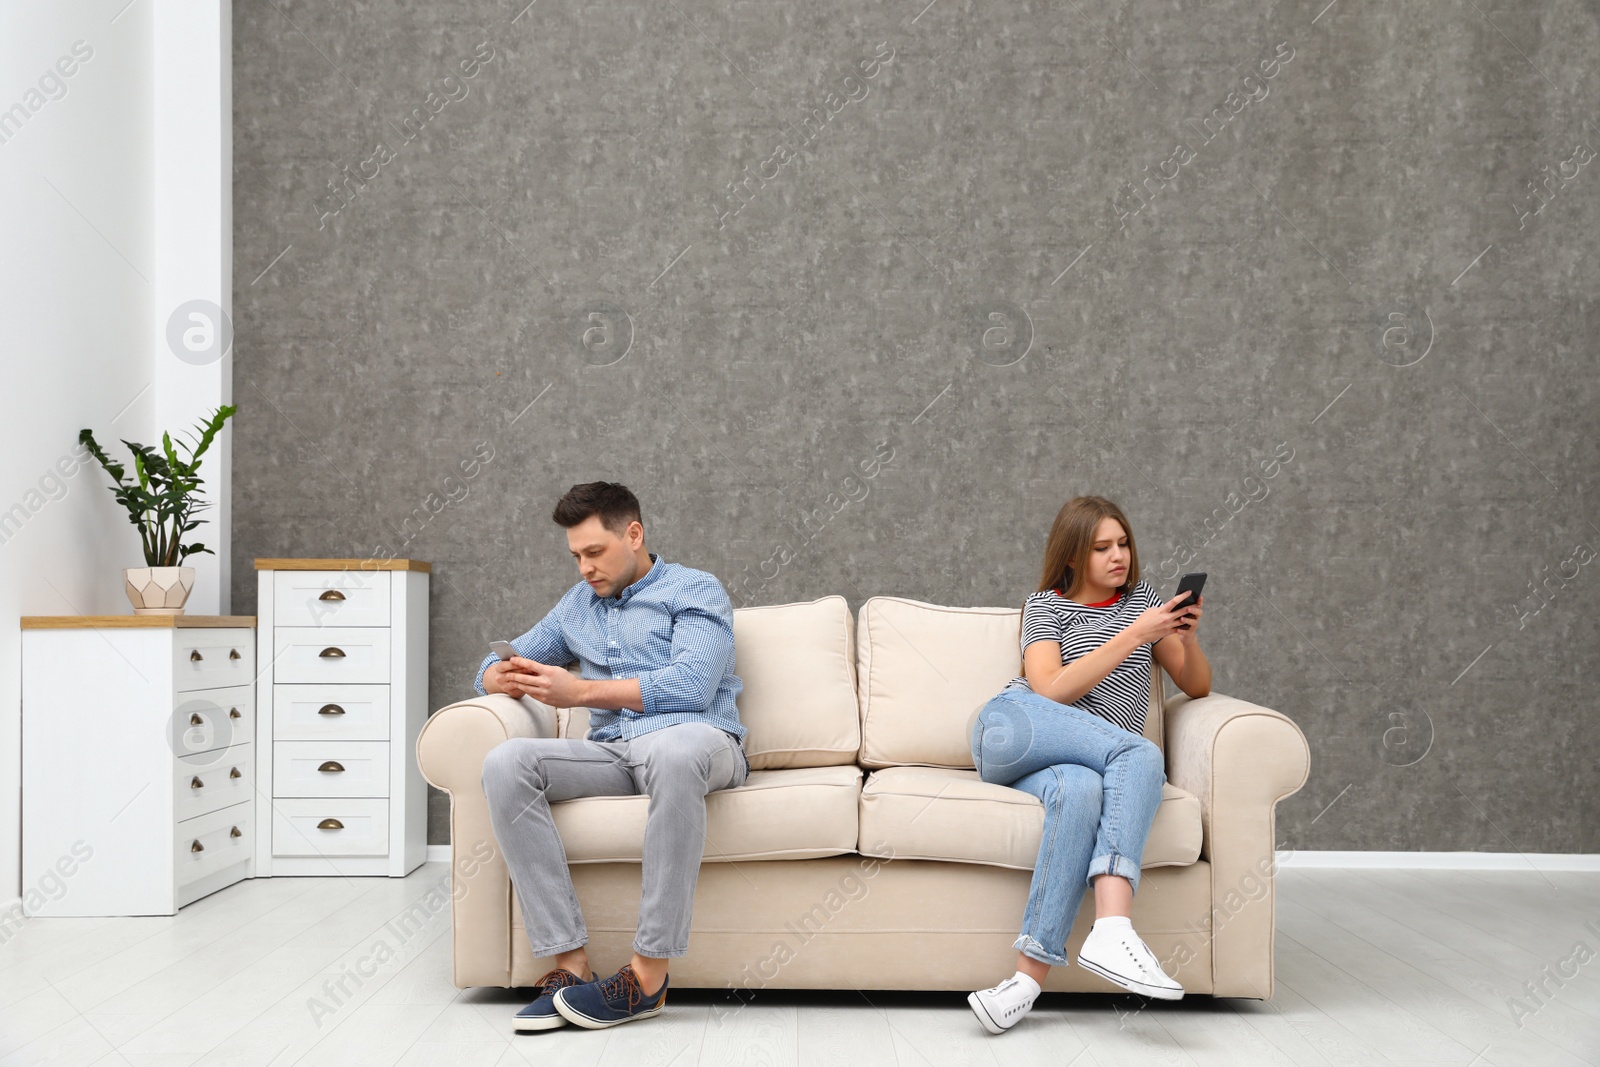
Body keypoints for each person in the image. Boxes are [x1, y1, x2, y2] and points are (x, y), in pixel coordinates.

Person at [476, 482, 749, 1032]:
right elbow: (496, 660)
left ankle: (648, 977)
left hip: (697, 741)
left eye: (594, 553)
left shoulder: (694, 589)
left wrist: (579, 694)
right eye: (576, 556)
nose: (584, 568)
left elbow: (692, 685)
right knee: (505, 763)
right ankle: (569, 968)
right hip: (613, 755)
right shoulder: (576, 606)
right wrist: (494, 674)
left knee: (673, 752)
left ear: (634, 534)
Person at [966, 495, 1211, 1034]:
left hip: (1078, 765)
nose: (1118, 556)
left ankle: (1023, 984)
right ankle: (1113, 925)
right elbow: (1049, 690)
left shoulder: (1145, 603)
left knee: (1080, 793)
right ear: (1074, 555)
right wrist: (1133, 637)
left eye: (1123, 544)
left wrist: (1183, 639)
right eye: (1102, 547)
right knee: (1138, 751)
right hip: (1015, 729)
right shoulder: (1045, 605)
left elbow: (1196, 685)